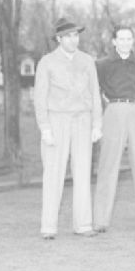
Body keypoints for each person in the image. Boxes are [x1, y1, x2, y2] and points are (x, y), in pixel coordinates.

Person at [34, 17, 103, 239]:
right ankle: (48, 227)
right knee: (53, 173)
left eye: (76, 35)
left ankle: (83, 224)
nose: (74, 40)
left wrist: (97, 123)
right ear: (58, 39)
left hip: (82, 120)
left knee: (83, 173)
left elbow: (95, 93)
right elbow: (40, 97)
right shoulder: (47, 62)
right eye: (68, 36)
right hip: (57, 120)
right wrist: (45, 127)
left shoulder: (87, 60)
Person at [93, 25, 135, 231]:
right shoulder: (102, 65)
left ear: (133, 41)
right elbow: (93, 92)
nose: (125, 42)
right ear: (114, 41)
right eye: (121, 39)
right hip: (114, 110)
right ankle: (100, 220)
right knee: (108, 165)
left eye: (129, 39)